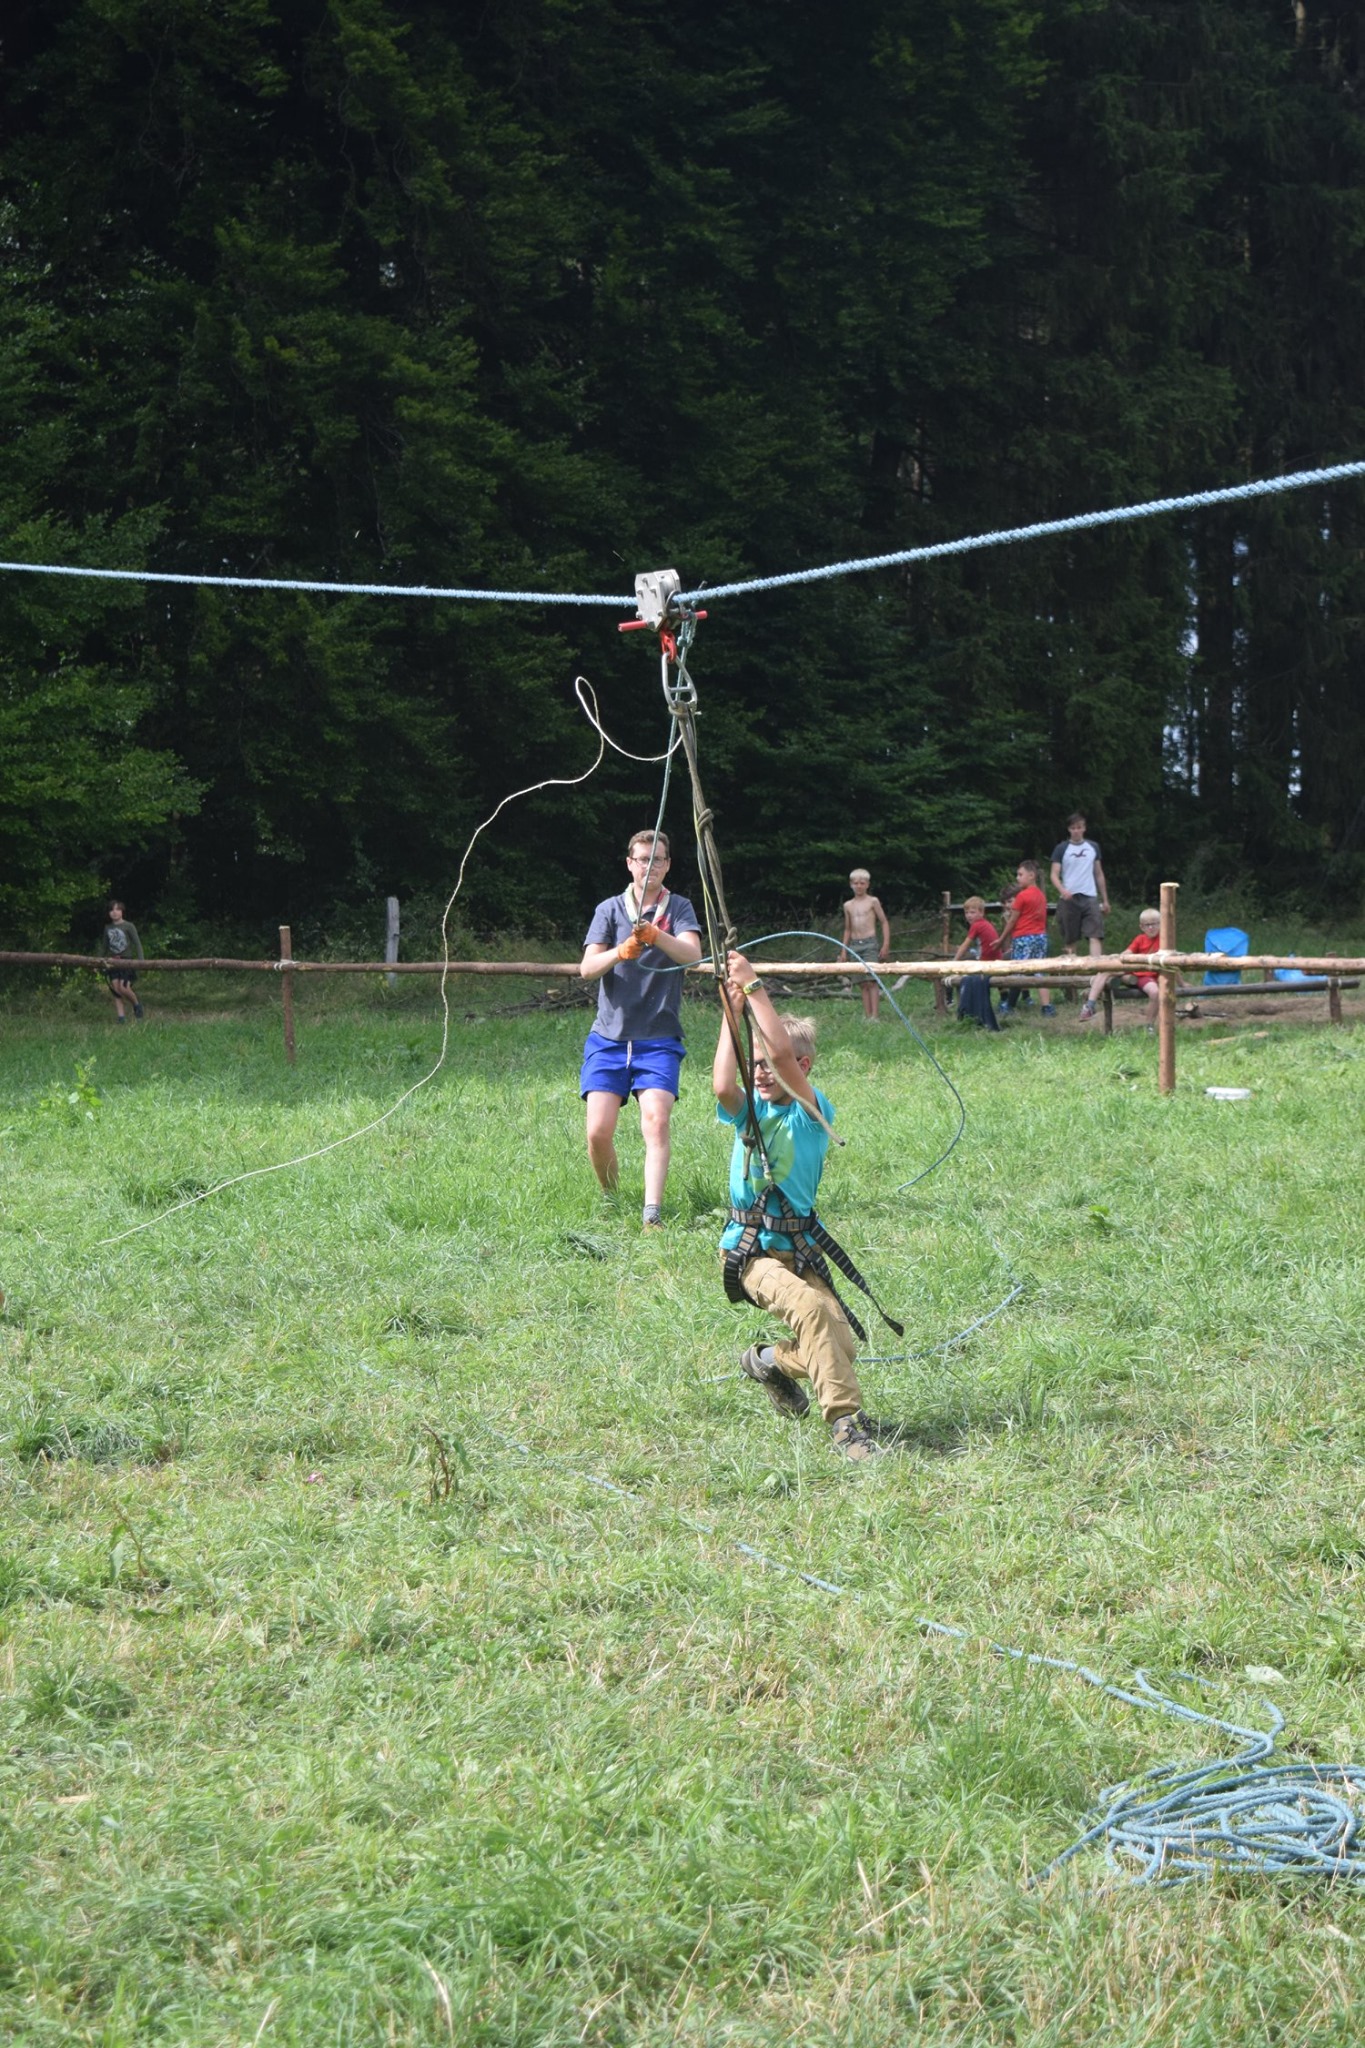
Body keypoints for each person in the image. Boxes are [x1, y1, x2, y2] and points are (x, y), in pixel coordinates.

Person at [714, 951, 882, 1460]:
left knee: (839, 1347)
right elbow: (722, 1084)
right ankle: (846, 1425)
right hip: (750, 1253)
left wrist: (754, 988)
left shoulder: (812, 1112)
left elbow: (782, 1057)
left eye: (769, 1065)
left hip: (800, 1250)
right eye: (756, 1065)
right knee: (812, 1313)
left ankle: (766, 1360)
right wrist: (731, 1011)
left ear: (802, 1067)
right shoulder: (750, 1111)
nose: (762, 1073)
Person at [579, 829, 703, 1229]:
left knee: (656, 1121)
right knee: (598, 1133)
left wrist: (656, 935)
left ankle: (652, 1214)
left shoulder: (679, 907)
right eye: (643, 859)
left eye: (658, 859)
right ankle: (612, 1198)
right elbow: (587, 968)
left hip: (658, 1039)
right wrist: (620, 951)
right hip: (608, 1039)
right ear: (630, 863)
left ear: (668, 865)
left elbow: (693, 956)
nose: (650, 866)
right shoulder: (609, 909)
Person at [1081, 907, 1163, 1027]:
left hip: (1147, 976)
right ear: (1142, 927)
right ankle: (1089, 1006)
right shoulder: (1140, 939)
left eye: (1154, 924)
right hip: (1132, 971)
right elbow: (1127, 953)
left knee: (1155, 992)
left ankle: (1149, 1026)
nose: (1151, 928)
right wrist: (1119, 957)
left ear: (1161, 924)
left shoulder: (1164, 940)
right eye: (1147, 925)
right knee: (1105, 971)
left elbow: (1171, 963)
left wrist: (1181, 983)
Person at [996, 860, 1053, 1017]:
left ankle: (1009, 1006)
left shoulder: (1022, 896)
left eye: (1020, 875)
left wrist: (1001, 939)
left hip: (1023, 938)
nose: (1017, 878)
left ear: (1031, 875)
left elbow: (1012, 921)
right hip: (1040, 937)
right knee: (1040, 972)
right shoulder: (1041, 895)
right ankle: (1047, 1007)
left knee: (1018, 972)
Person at [1050, 814, 1110, 960]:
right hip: (1069, 897)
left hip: (1090, 895)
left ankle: (1096, 966)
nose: (1076, 831)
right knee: (1070, 938)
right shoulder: (1061, 848)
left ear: (1084, 828)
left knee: (1095, 934)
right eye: (1073, 828)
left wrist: (1105, 899)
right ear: (1069, 829)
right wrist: (1062, 890)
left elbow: (1098, 873)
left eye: (1079, 827)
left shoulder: (1093, 847)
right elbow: (1054, 874)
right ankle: (1072, 968)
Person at [841, 867, 890, 1020]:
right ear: (851, 884)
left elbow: (884, 922)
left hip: (870, 944)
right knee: (861, 982)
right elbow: (847, 929)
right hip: (855, 945)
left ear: (867, 884)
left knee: (871, 981)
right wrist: (844, 950)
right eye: (856, 883)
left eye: (862, 883)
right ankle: (867, 1015)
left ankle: (875, 1016)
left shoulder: (873, 901)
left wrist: (885, 945)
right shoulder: (848, 905)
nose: (859, 886)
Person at [949, 895, 1001, 1031]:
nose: (969, 915)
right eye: (966, 912)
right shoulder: (984, 923)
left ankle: (951, 1002)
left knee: (960, 975)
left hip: (987, 963)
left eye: (972, 912)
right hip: (993, 961)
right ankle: (1004, 999)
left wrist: (954, 962)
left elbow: (965, 945)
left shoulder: (977, 925)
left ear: (981, 912)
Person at [102, 900, 146, 1022]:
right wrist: (98, 961)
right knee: (116, 989)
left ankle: (137, 1005)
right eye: (112, 910)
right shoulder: (107, 928)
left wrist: (141, 960)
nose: (114, 912)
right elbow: (104, 946)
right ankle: (121, 1017)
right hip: (113, 961)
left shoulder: (129, 926)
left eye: (117, 909)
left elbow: (137, 943)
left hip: (126, 961)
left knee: (124, 987)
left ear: (122, 911)